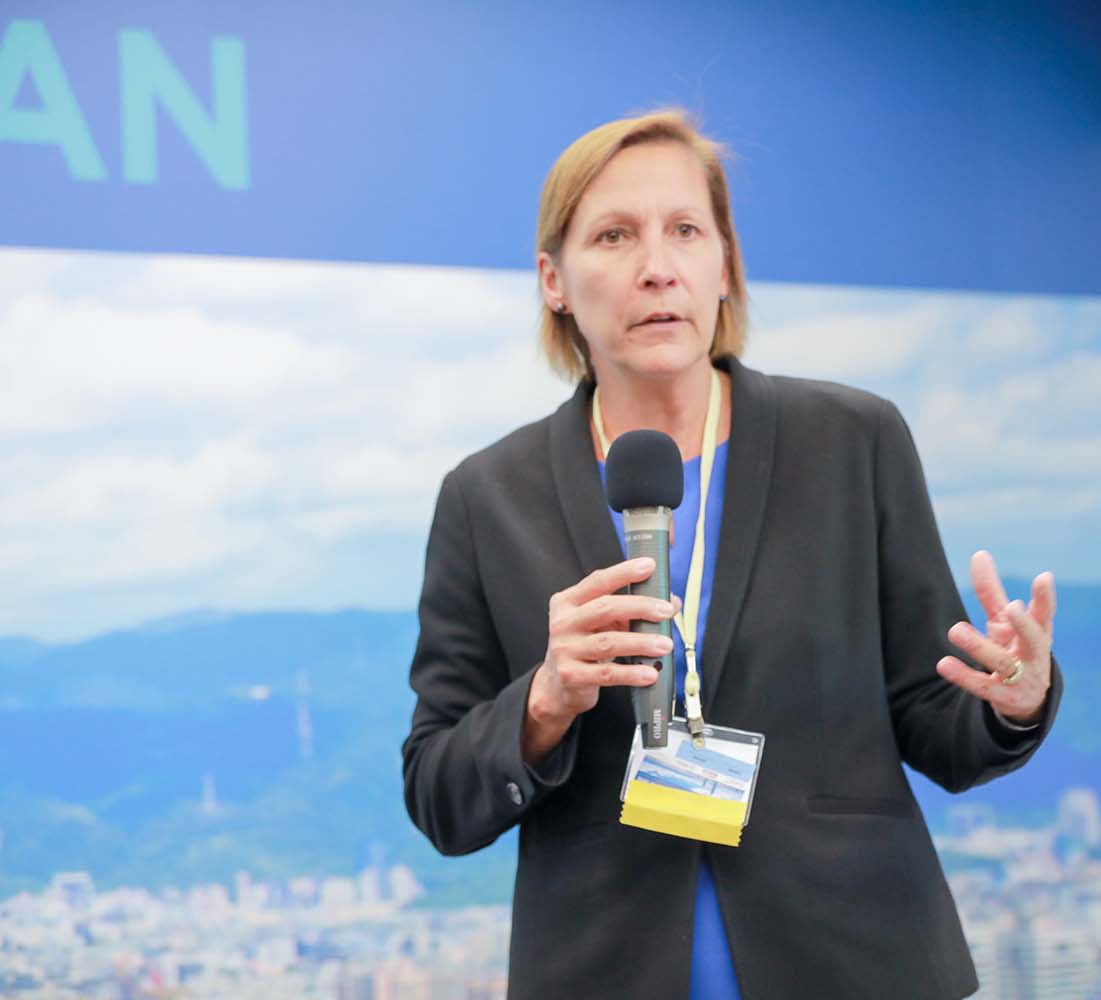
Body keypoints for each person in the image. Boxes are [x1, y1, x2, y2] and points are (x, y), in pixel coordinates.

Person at [401, 109, 1063, 1000]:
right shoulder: (487, 497)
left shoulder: (852, 441)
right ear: (554, 280)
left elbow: (933, 718)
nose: (657, 267)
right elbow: (439, 793)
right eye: (614, 236)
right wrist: (543, 703)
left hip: (853, 963)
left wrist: (1014, 702)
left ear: (725, 265)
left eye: (685, 230)